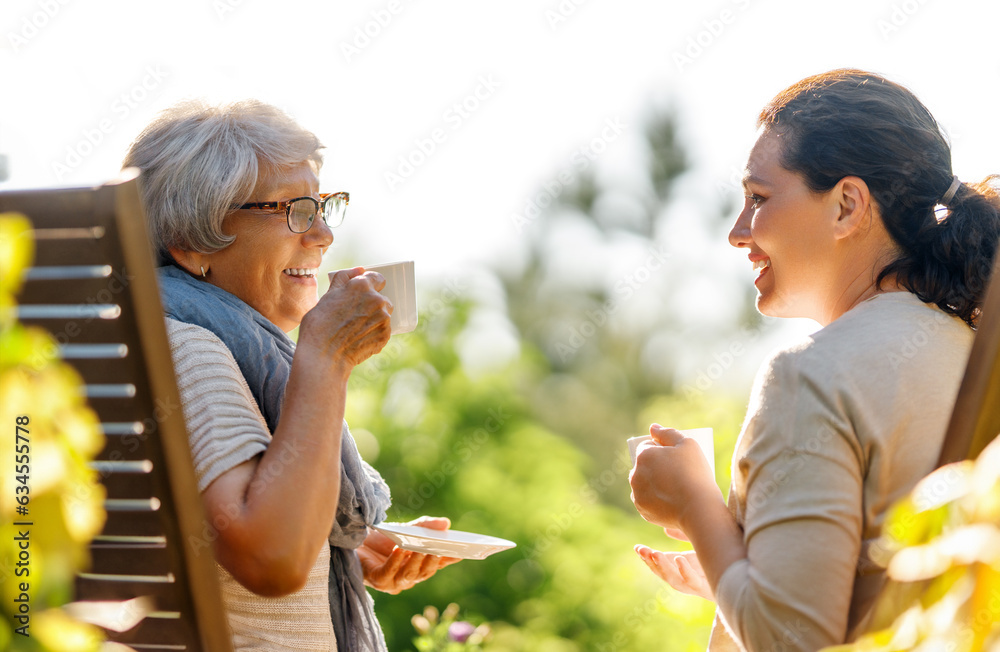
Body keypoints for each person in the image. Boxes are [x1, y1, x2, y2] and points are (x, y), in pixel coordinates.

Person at [629, 69, 1000, 651]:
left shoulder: (809, 376)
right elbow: (908, 590)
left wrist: (695, 505)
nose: (736, 231)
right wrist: (738, 569)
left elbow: (793, 643)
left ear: (848, 205)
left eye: (758, 198)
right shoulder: (972, 350)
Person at [123, 99, 460, 651]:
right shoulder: (184, 349)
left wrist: (345, 544)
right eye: (295, 210)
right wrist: (325, 358)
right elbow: (270, 558)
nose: (324, 234)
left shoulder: (200, 340)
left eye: (324, 206)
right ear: (192, 242)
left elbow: (243, 527)